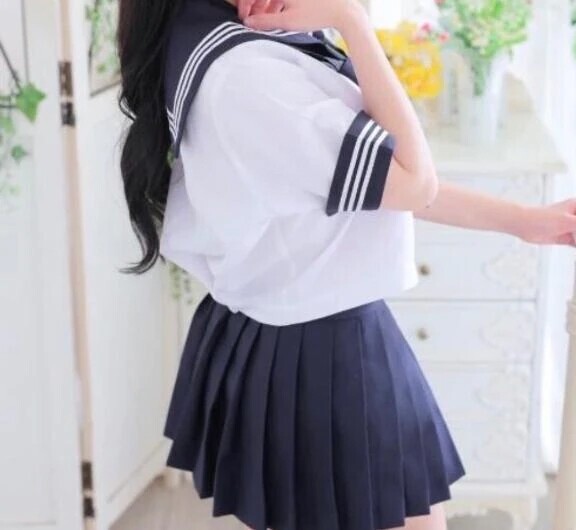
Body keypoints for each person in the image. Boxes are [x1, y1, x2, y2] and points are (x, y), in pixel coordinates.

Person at [117, 0, 576, 529]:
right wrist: (352, 21)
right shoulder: (249, 77)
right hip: (327, 357)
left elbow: (372, 182)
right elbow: (412, 181)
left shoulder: (215, 40)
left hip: (283, 335)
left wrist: (522, 220)